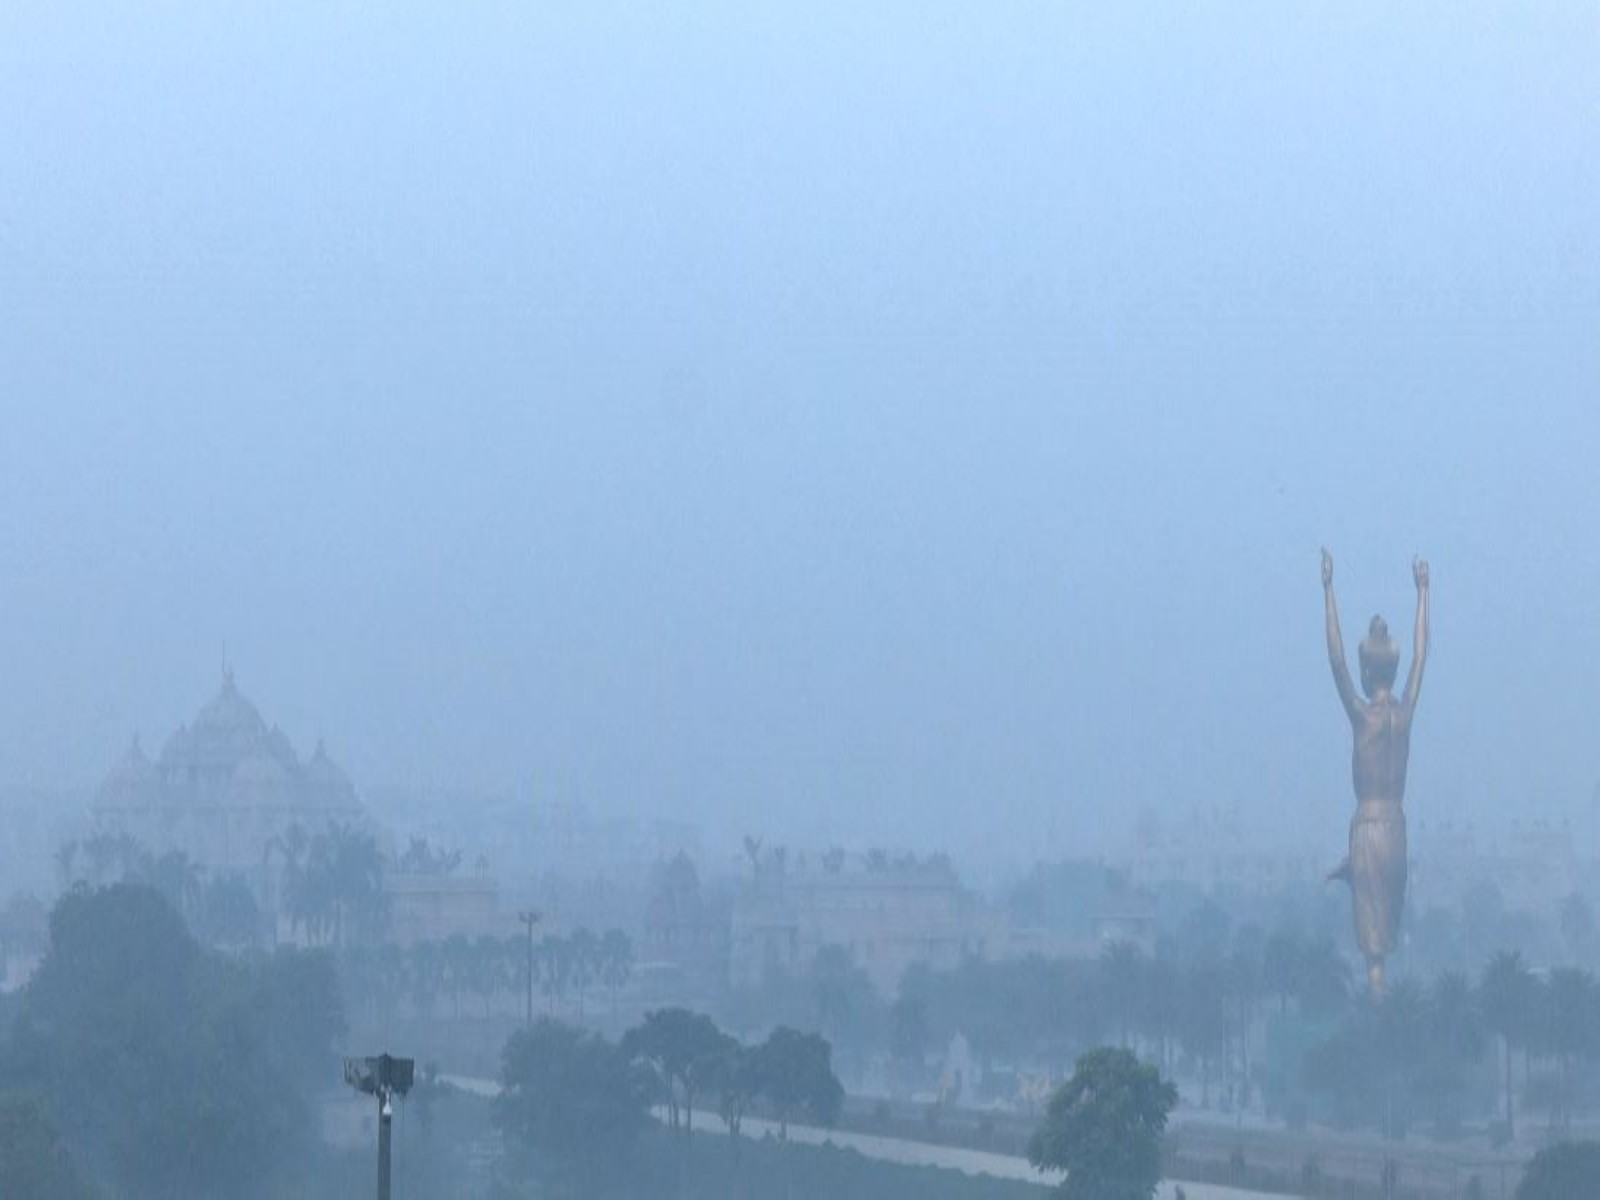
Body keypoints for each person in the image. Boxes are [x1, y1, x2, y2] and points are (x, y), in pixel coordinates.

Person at [1321, 549, 1429, 996]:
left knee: (1374, 957)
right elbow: (1423, 657)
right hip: (1396, 829)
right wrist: (1424, 594)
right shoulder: (1401, 716)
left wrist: (1328, 590)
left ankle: (1380, 1022)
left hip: (1368, 826)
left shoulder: (1363, 717)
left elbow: (1336, 661)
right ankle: (1384, 1015)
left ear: (1370, 671)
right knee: (1383, 939)